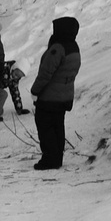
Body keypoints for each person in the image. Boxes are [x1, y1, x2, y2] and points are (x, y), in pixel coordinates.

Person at [30, 15, 81, 170]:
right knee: (58, 127)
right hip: (64, 96)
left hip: (49, 97)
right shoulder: (74, 47)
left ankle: (49, 159)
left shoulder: (58, 48)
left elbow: (46, 73)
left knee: (46, 128)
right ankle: (57, 157)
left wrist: (35, 90)